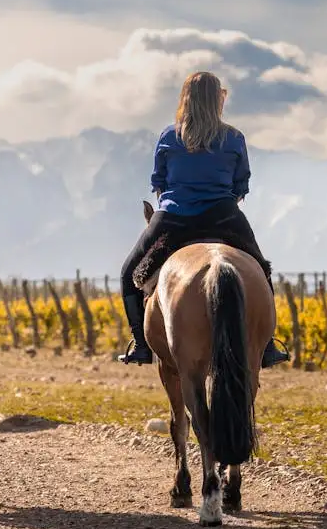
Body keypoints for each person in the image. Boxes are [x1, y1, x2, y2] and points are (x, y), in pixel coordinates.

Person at [116, 71, 290, 368]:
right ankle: (267, 346)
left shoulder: (170, 136)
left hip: (173, 218)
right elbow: (241, 184)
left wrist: (179, 201)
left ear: (186, 99)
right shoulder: (234, 137)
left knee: (129, 273)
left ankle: (141, 345)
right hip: (223, 215)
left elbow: (158, 181)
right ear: (218, 99)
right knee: (260, 270)